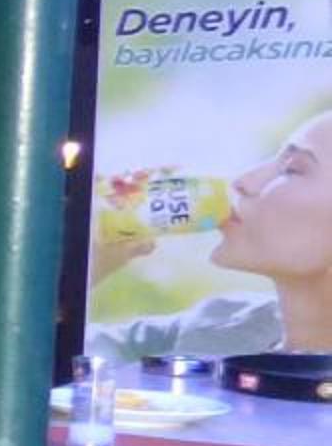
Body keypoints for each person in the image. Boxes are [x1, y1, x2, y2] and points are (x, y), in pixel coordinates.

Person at [89, 110, 332, 361]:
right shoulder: (218, 325)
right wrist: (86, 263)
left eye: (292, 169)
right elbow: (71, 358)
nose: (243, 181)